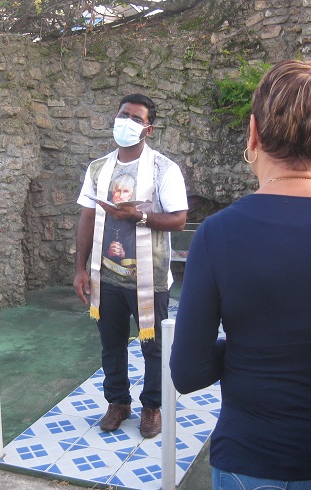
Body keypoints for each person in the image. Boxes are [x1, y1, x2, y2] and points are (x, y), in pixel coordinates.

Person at [170, 60, 311, 489]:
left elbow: (188, 372)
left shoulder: (218, 234)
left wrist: (252, 349)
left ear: (253, 132)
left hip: (253, 461)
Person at [74, 93, 188, 438]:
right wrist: (80, 268)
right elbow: (87, 217)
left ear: (148, 129)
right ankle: (118, 402)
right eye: (123, 115)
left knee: (153, 347)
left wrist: (138, 216)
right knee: (112, 345)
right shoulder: (98, 169)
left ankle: (151, 406)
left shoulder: (164, 169)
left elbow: (179, 219)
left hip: (149, 279)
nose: (127, 123)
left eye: (137, 119)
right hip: (106, 276)